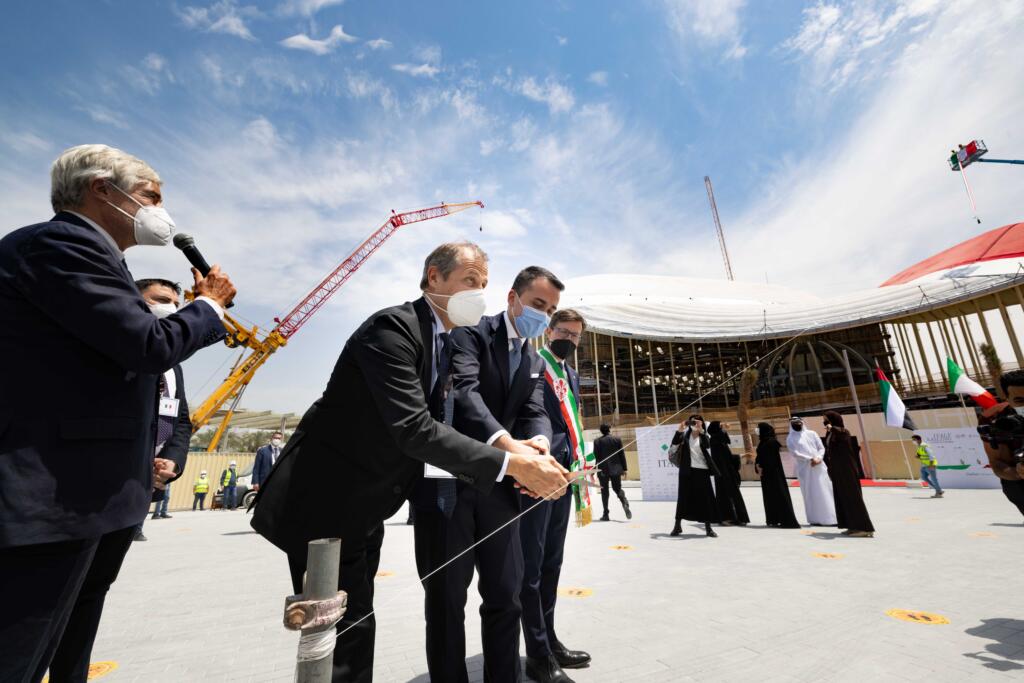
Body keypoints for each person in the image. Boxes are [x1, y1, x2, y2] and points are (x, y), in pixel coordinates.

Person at [250, 241, 571, 682]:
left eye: (482, 284)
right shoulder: (392, 330)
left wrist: (529, 447)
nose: (478, 294)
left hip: (365, 508)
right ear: (433, 278)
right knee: (335, 636)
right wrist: (510, 461)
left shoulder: (440, 341)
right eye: (469, 282)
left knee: (355, 627)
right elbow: (415, 429)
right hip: (323, 505)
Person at [0, 144, 235, 683]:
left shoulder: (100, 257)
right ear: (101, 189)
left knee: (61, 642)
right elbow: (147, 345)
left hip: (91, 496)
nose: (160, 209)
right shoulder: (60, 244)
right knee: (20, 653)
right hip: (52, 497)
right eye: (151, 195)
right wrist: (211, 308)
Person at [412, 266, 559, 683]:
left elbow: (535, 410)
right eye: (537, 304)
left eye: (550, 309)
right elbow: (465, 394)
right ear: (512, 298)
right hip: (449, 483)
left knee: (505, 596)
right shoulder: (470, 332)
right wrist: (510, 447)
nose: (543, 316)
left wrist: (540, 444)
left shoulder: (532, 356)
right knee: (446, 601)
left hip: (501, 490)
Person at [521, 308, 593, 683]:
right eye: (564, 331)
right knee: (531, 568)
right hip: (540, 474)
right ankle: (536, 653)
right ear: (549, 331)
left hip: (568, 478)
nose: (570, 338)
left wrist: (584, 459)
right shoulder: (532, 362)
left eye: (576, 335)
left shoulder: (573, 374)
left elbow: (574, 423)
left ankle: (549, 639)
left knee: (552, 563)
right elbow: (533, 416)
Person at [139, 278, 193, 526]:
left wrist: (170, 459)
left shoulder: (175, 367)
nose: (171, 308)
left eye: (175, 303)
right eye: (161, 300)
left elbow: (181, 421)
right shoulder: (123, 352)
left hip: (153, 483)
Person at [977, 370, 1024, 518]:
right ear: (1007, 399)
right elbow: (997, 463)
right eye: (1020, 401)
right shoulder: (993, 419)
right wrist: (1018, 472)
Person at [822, 411, 875, 537]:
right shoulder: (830, 433)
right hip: (837, 470)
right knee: (843, 498)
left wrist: (833, 429)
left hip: (846, 470)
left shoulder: (843, 432)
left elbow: (842, 441)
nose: (825, 423)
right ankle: (852, 525)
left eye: (827, 420)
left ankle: (864, 528)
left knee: (853, 497)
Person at [670, 414, 721, 538]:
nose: (694, 424)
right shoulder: (684, 435)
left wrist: (702, 431)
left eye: (697, 422)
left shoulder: (704, 436)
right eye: (692, 422)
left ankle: (708, 528)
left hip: (702, 471)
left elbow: (708, 445)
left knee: (705, 499)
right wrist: (679, 431)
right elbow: (674, 444)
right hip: (686, 471)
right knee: (683, 498)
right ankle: (677, 526)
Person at [786, 417, 837, 525]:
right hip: (805, 469)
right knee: (810, 493)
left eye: (799, 423)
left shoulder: (812, 433)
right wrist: (810, 459)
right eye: (795, 423)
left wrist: (818, 458)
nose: (797, 425)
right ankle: (815, 519)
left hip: (819, 466)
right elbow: (795, 453)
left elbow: (821, 448)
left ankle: (831, 518)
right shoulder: (790, 438)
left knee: (826, 490)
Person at [754, 423, 801, 529]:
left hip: (773, 474)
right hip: (766, 474)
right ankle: (774, 519)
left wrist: (761, 467)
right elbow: (760, 456)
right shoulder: (763, 442)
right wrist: (758, 466)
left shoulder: (771, 442)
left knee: (779, 495)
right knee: (770, 497)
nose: (757, 430)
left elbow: (770, 460)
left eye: (759, 428)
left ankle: (786, 520)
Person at [707, 421, 748, 526]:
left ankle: (739, 517)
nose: (723, 428)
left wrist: (740, 456)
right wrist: (724, 429)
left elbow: (728, 457)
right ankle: (725, 518)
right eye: (720, 426)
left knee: (734, 493)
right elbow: (720, 459)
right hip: (721, 474)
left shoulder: (721, 442)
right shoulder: (714, 440)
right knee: (723, 494)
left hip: (728, 472)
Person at [594, 423, 631, 522]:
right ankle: (624, 501)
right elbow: (621, 454)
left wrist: (594, 469)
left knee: (604, 491)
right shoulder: (617, 439)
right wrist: (624, 469)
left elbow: (596, 457)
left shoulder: (597, 441)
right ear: (609, 429)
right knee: (617, 488)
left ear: (601, 431)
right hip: (616, 469)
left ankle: (605, 514)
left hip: (603, 470)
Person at [911, 434, 944, 498]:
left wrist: (931, 465)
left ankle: (939, 493)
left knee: (934, 479)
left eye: (914, 440)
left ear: (919, 440)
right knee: (923, 477)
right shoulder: (919, 447)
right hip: (924, 466)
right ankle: (939, 490)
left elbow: (931, 455)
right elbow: (921, 455)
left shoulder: (925, 446)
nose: (913, 441)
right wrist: (918, 456)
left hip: (930, 465)